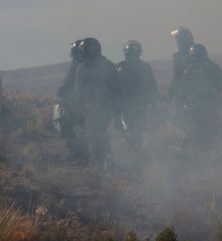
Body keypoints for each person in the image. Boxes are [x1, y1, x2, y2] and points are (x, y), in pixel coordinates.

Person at [74, 37, 121, 169]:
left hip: (97, 109)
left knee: (96, 135)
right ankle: (105, 160)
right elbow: (117, 88)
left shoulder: (83, 68)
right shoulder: (107, 65)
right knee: (99, 133)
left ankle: (101, 162)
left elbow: (79, 92)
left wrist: (84, 107)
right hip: (103, 108)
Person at [181, 43, 222, 150]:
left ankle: (184, 152)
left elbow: (185, 86)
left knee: (192, 129)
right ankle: (210, 154)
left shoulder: (192, 68)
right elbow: (219, 85)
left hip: (197, 104)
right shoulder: (214, 67)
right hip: (212, 104)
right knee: (210, 130)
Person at [117, 40, 158, 152]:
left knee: (134, 129)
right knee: (129, 129)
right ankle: (135, 150)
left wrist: (152, 102)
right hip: (128, 104)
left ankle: (136, 151)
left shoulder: (142, 68)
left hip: (137, 104)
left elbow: (152, 87)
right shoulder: (122, 68)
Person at [56, 39, 86, 159]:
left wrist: (63, 92)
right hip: (83, 101)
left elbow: (69, 82)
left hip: (79, 102)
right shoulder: (82, 64)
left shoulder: (80, 65)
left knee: (68, 124)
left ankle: (78, 153)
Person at [170, 27, 195, 113]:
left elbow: (177, 76)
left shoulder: (179, 56)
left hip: (186, 91)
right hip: (187, 91)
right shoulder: (196, 52)